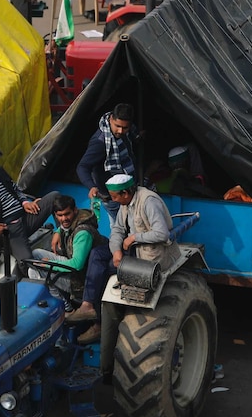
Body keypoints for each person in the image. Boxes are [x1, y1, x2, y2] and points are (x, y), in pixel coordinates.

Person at [71, 174, 180, 344]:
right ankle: (88, 305)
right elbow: (117, 230)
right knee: (97, 255)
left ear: (125, 193)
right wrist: (116, 251)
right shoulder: (125, 203)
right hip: (131, 249)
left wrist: (134, 237)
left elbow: (161, 233)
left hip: (150, 254)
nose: (113, 200)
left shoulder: (148, 201)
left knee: (105, 271)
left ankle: (100, 324)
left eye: (115, 197)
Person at [30, 194, 108, 313]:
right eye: (59, 215)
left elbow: (77, 264)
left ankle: (65, 309)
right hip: (73, 268)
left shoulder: (83, 233)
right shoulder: (73, 221)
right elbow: (63, 226)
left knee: (39, 270)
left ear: (75, 210)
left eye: (67, 214)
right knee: (35, 255)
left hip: (81, 280)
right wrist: (57, 231)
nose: (63, 219)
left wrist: (48, 265)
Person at [76, 103, 138, 224]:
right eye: (117, 126)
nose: (120, 131)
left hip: (128, 191)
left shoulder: (126, 132)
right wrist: (91, 186)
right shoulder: (100, 141)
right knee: (122, 229)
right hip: (113, 197)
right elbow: (82, 167)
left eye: (125, 128)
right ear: (110, 119)